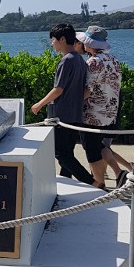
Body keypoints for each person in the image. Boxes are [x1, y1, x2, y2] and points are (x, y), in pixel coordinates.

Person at [31, 22, 95, 185]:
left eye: (53, 39)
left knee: (61, 154)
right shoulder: (80, 60)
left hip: (63, 115)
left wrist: (39, 104)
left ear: (62, 39)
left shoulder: (67, 61)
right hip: (75, 114)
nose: (52, 43)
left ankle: (92, 183)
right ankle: (65, 183)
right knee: (67, 153)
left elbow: (58, 89)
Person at [76, 25, 122, 189]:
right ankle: (119, 173)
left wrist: (72, 102)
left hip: (93, 114)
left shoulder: (93, 62)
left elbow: (88, 90)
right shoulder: (114, 60)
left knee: (91, 150)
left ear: (90, 44)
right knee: (100, 145)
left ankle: (98, 184)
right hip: (110, 113)